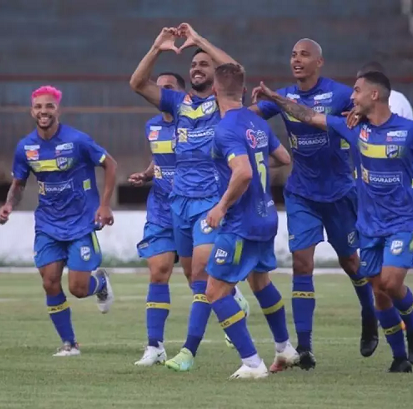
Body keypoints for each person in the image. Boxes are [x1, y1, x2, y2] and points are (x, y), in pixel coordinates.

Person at [254, 72, 413, 372]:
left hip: (401, 222)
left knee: (390, 282)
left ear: (374, 95)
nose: (351, 96)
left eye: (357, 91)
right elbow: (308, 116)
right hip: (368, 225)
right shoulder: (353, 129)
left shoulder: (411, 131)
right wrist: (276, 98)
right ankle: (399, 357)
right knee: (379, 291)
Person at [248, 38, 379, 369]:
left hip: (339, 193)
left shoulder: (339, 94)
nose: (297, 59)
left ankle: (369, 311)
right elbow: (246, 116)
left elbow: (368, 110)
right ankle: (304, 348)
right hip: (301, 193)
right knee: (301, 265)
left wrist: (361, 113)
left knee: (351, 263)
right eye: (293, 54)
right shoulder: (282, 96)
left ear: (319, 62)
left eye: (304, 54)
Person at [129, 24, 249, 371]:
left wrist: (200, 42)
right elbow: (137, 83)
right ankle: (232, 300)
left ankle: (188, 352)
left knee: (199, 274)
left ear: (216, 76)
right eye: (193, 64)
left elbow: (237, 71)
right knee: (193, 277)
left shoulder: (222, 103)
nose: (196, 68)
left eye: (204, 64)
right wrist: (156, 47)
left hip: (209, 200)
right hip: (177, 202)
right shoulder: (178, 102)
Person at [0, 85, 117, 356]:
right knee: (50, 282)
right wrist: (8, 205)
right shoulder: (25, 147)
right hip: (48, 225)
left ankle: (100, 283)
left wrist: (104, 205)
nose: (44, 111)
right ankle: (69, 344)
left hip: (81, 222)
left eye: (49, 106)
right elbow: (19, 183)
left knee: (78, 288)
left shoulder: (78, 140)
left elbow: (110, 164)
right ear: (32, 111)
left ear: (57, 110)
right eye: (38, 107)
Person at [205, 63, 297, 379]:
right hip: (266, 216)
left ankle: (252, 363)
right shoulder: (256, 122)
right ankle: (285, 348)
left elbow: (243, 172)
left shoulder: (225, 128)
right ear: (244, 91)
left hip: (240, 222)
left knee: (215, 292)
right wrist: (255, 164)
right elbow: (284, 158)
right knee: (260, 282)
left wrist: (221, 206)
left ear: (214, 90)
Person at [127, 72, 193, 366]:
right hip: (160, 209)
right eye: (159, 87)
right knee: (158, 271)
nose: (161, 92)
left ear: (181, 94)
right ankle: (155, 346)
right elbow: (161, 158)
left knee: (197, 277)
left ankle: (232, 306)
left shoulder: (193, 123)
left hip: (191, 207)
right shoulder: (152, 126)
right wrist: (147, 174)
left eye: (169, 88)